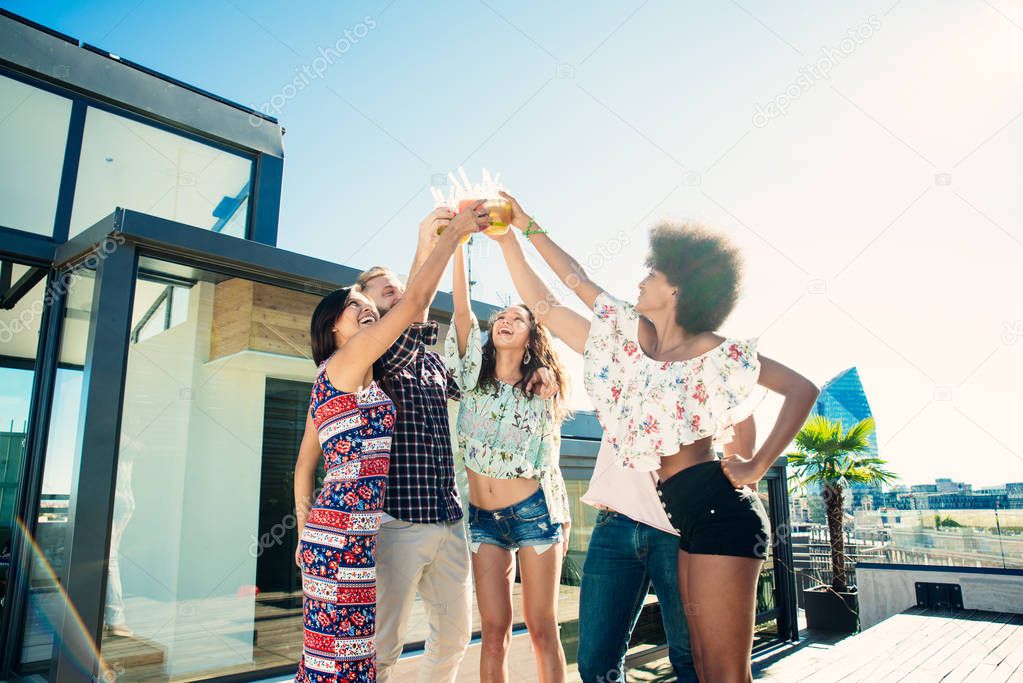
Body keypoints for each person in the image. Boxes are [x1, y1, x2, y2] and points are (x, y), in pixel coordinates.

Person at [492, 191, 819, 683]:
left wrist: (754, 467)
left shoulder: (714, 352)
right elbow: (569, 283)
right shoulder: (631, 343)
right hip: (683, 515)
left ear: (677, 290)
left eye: (652, 275)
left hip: (718, 513)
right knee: (704, 669)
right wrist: (518, 228)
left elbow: (802, 389)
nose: (641, 280)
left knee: (722, 674)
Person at [355, 210, 557, 683]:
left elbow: (474, 364)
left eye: (401, 286)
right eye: (388, 290)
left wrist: (540, 371)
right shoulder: (369, 351)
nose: (400, 293)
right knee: (385, 645)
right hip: (400, 521)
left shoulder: (431, 360)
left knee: (452, 641)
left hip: (451, 519)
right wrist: (444, 242)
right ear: (364, 303)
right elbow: (433, 312)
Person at [292, 203, 488, 683]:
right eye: (359, 301)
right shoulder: (367, 359)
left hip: (370, 527)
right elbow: (417, 300)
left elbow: (303, 464)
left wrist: (302, 529)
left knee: (347, 654)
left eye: (367, 302)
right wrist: (445, 237)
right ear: (336, 326)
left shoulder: (377, 369)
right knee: (359, 655)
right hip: (381, 524)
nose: (367, 304)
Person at [444, 242, 571, 682]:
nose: (505, 320)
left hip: (534, 514)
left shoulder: (541, 388)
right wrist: (458, 246)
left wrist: (564, 521)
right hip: (482, 518)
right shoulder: (469, 376)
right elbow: (462, 310)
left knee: (541, 628)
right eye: (500, 316)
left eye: (518, 318)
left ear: (531, 335)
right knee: (493, 630)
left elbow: (549, 460)